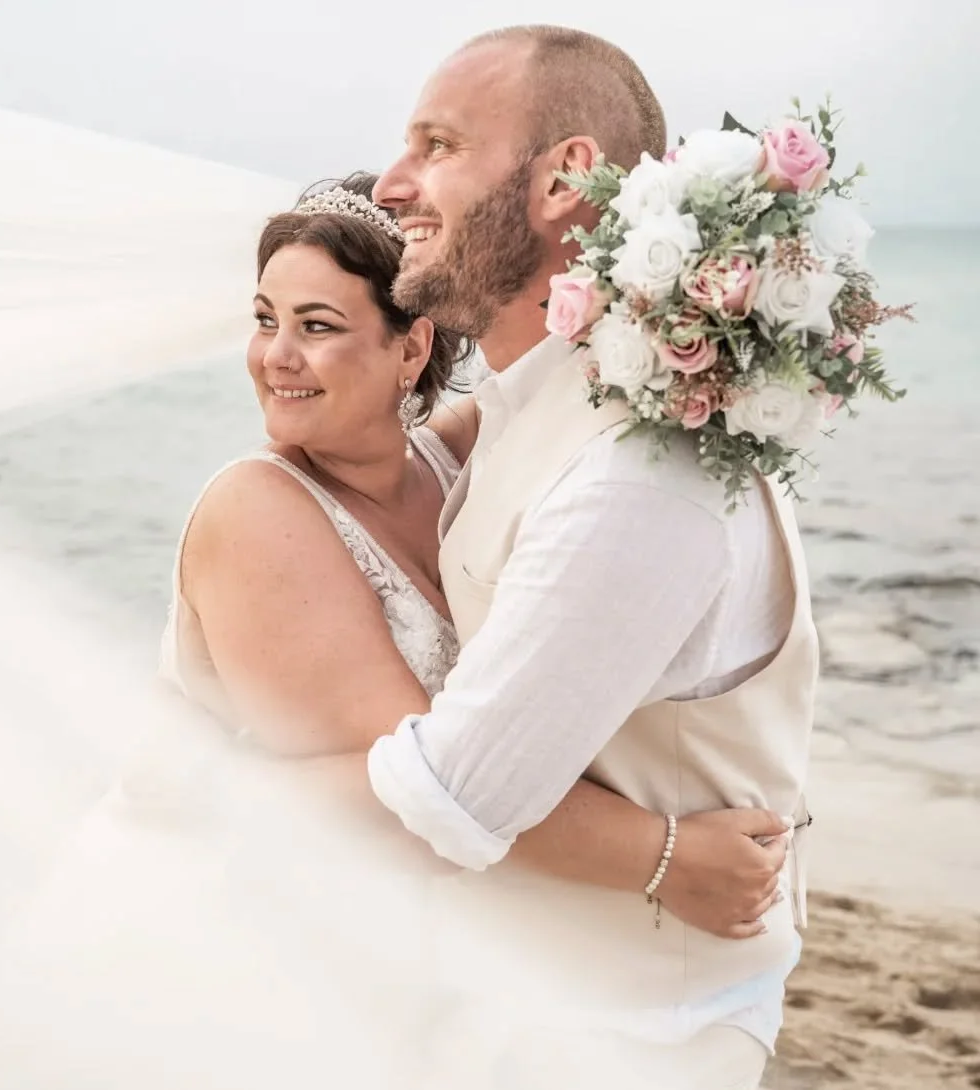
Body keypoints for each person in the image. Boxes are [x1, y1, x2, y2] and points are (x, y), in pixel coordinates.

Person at [361, 25, 819, 1088]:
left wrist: (233, 756)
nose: (392, 184)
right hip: (512, 1005)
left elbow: (448, 802)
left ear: (566, 179)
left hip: (620, 1041)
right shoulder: (540, 405)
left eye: (436, 145)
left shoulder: (640, 478)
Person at [161, 170, 790, 936]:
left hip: (429, 927)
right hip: (280, 929)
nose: (274, 357)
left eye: (316, 326)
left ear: (412, 347)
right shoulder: (257, 514)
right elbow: (429, 794)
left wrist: (702, 330)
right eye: (266, 320)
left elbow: (556, 381)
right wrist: (664, 856)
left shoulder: (455, 458)